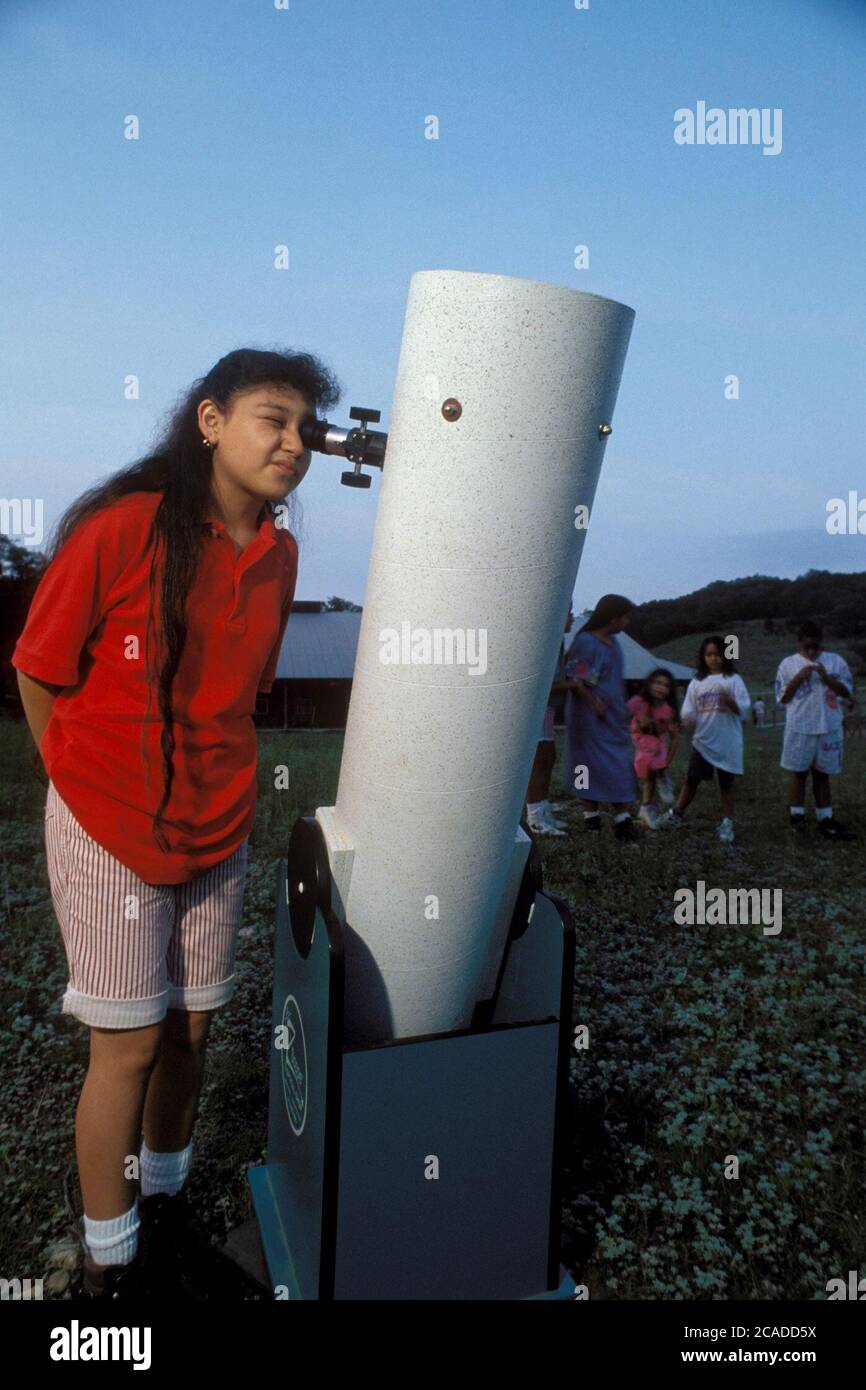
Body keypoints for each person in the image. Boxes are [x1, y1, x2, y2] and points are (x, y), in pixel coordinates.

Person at [12, 346, 341, 1298]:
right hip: (109, 823)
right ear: (210, 420)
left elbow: (240, 698)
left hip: (217, 823)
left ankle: (162, 1210)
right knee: (130, 1043)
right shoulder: (123, 528)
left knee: (194, 1030)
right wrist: (77, 779)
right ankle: (108, 1271)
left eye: (304, 429)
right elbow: (39, 668)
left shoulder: (279, 556)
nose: (294, 442)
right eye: (272, 419)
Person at [658, 635, 750, 843]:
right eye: (709, 655)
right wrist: (687, 721)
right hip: (703, 740)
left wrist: (732, 703)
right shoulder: (697, 682)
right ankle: (677, 814)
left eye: (718, 654)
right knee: (692, 779)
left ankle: (727, 821)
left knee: (726, 782)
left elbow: (744, 709)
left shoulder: (733, 680)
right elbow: (688, 711)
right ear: (703, 657)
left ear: (726, 655)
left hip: (727, 741)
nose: (714, 659)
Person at [562, 594, 639, 842]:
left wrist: (625, 705)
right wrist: (591, 700)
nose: (627, 622)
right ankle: (590, 815)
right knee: (586, 763)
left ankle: (622, 817)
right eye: (625, 617)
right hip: (588, 716)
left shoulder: (614, 644)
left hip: (613, 715)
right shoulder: (585, 642)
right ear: (613, 617)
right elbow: (576, 677)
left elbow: (616, 678)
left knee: (618, 762)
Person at [774, 620, 856, 840]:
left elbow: (846, 691)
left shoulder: (835, 661)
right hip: (799, 726)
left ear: (821, 644)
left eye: (815, 647)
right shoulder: (788, 664)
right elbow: (783, 697)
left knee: (822, 774)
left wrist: (826, 678)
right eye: (806, 647)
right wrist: (799, 678)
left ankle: (825, 818)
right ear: (799, 644)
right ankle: (797, 816)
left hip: (829, 726)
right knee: (798, 772)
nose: (811, 651)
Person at [525, 606, 573, 836]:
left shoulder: (557, 642)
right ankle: (535, 816)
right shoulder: (546, 642)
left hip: (548, 707)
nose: (571, 619)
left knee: (548, 757)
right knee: (540, 759)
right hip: (539, 707)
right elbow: (543, 683)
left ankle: (541, 809)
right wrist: (574, 685)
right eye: (568, 613)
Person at [627, 668, 680, 829]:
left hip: (658, 745)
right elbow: (622, 713)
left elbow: (675, 738)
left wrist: (667, 763)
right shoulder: (638, 701)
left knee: (651, 771)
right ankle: (654, 789)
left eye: (666, 685)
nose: (661, 688)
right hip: (642, 740)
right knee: (648, 771)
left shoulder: (668, 710)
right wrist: (637, 723)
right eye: (657, 683)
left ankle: (647, 806)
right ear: (649, 684)